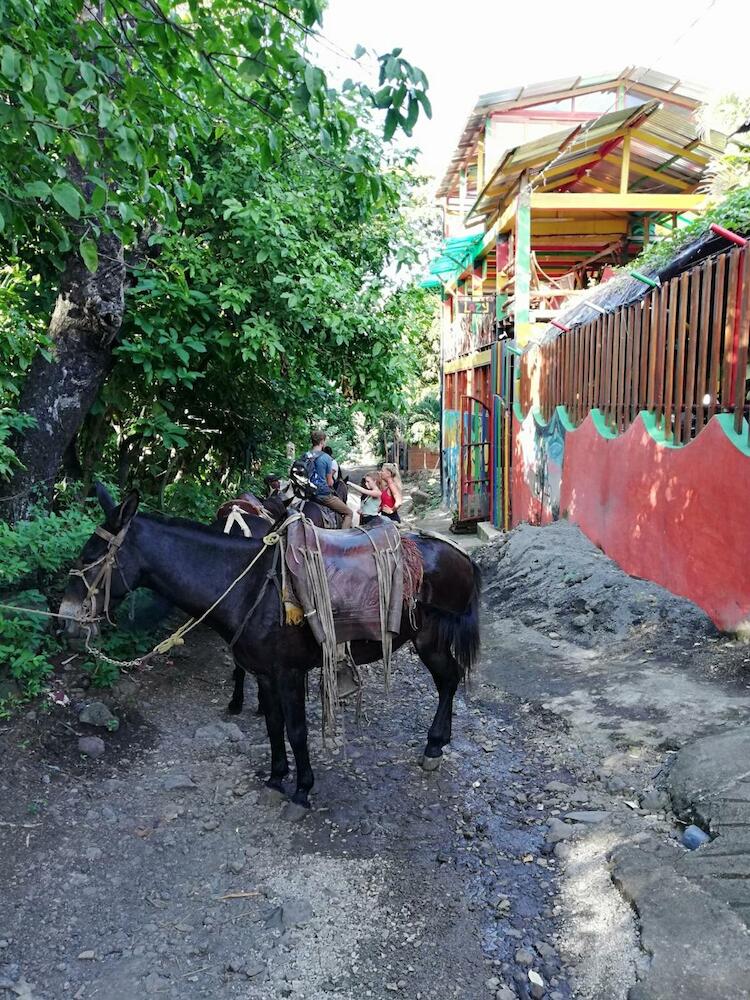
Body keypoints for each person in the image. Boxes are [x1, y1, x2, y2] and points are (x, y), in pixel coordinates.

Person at [305, 430, 352, 528]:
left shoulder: (306, 455)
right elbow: (330, 482)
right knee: (349, 513)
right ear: (322, 442)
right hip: (322, 495)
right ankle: (343, 539)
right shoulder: (326, 457)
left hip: (307, 493)